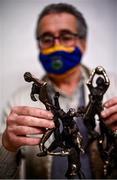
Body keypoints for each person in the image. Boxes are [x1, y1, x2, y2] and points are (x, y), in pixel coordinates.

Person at [0, 2, 117, 179]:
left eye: (66, 36)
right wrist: (7, 146)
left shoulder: (114, 88)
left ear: (83, 43)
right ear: (39, 45)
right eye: (47, 39)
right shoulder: (18, 102)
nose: (56, 46)